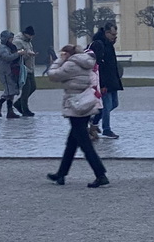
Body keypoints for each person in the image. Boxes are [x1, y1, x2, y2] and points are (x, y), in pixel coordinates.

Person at [45, 44, 109, 188]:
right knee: (72, 143)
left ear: (68, 54)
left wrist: (59, 61)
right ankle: (61, 174)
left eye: (63, 53)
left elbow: (53, 74)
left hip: (75, 105)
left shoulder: (71, 65)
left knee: (85, 144)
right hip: (85, 103)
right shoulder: (86, 61)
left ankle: (100, 174)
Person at [88, 21, 123, 139]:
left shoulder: (108, 43)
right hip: (104, 81)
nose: (115, 37)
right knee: (106, 106)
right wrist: (101, 84)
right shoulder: (99, 44)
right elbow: (99, 66)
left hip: (112, 79)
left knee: (114, 104)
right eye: (113, 35)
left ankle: (94, 119)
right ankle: (106, 129)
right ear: (107, 33)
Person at [0, 30, 25, 119]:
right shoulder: (2, 48)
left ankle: (9, 111)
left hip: (12, 71)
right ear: (5, 39)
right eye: (10, 38)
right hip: (5, 72)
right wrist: (18, 54)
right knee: (9, 91)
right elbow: (7, 57)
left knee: (12, 91)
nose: (11, 40)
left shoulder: (10, 47)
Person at [12, 26, 38, 117]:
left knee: (33, 87)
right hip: (22, 69)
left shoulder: (28, 42)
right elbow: (17, 56)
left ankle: (18, 103)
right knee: (26, 89)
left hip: (30, 68)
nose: (32, 37)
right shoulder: (17, 41)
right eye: (31, 35)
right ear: (26, 34)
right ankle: (25, 109)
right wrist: (28, 55)